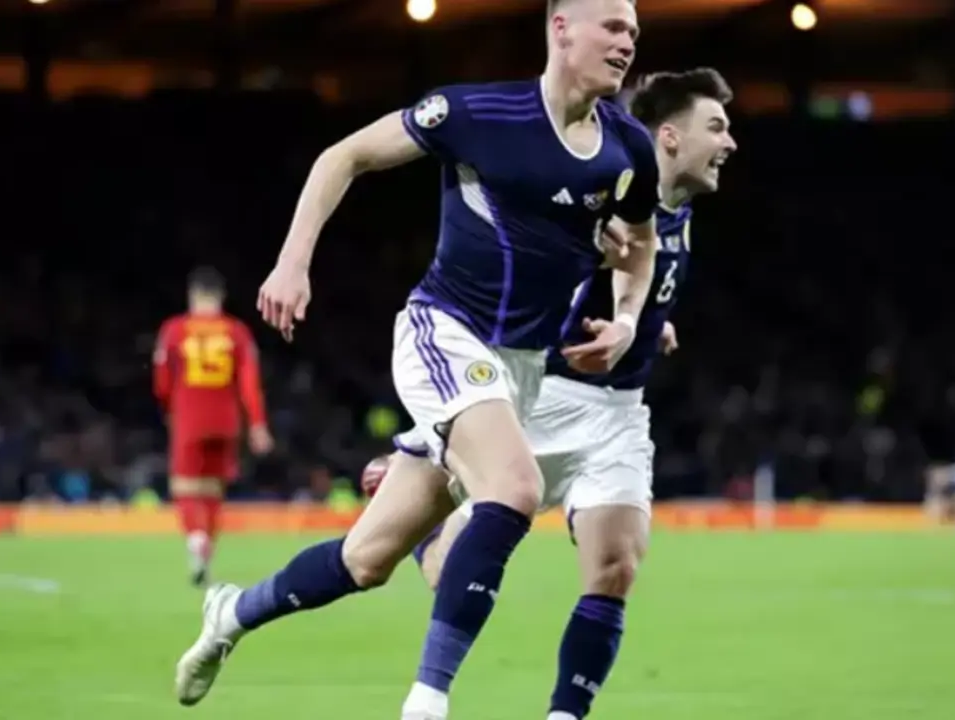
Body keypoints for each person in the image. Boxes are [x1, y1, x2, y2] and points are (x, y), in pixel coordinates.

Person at [174, 1, 659, 717]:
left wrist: (625, 319)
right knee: (515, 488)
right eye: (613, 27)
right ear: (561, 28)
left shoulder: (628, 146)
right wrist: (292, 263)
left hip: (519, 370)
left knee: (366, 560)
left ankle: (233, 614)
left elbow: (643, 243)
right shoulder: (476, 113)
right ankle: (426, 703)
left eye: (634, 32)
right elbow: (344, 156)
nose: (628, 42)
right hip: (445, 332)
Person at [375, 67, 736, 720]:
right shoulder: (608, 196)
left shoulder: (677, 211)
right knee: (449, 564)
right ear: (668, 137)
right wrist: (612, 314)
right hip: (551, 393)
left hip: (620, 410)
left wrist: (649, 323)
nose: (730, 142)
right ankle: (427, 490)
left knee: (617, 565)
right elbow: (549, 270)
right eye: (717, 127)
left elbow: (642, 281)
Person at [152, 266, 273, 587]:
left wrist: (169, 408)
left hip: (189, 417)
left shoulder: (175, 330)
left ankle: (196, 538)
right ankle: (206, 549)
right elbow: (249, 383)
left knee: (184, 487)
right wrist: (258, 424)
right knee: (214, 489)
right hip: (226, 420)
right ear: (221, 296)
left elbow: (161, 380)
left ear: (193, 295)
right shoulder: (237, 332)